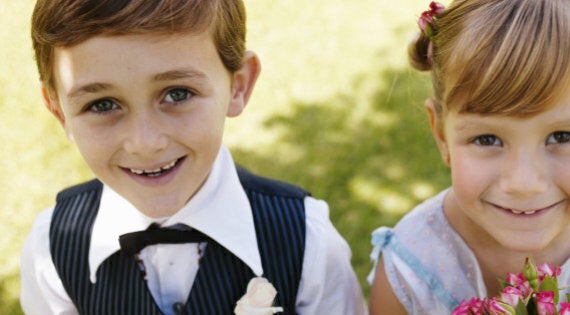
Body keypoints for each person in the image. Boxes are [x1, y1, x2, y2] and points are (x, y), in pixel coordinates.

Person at [20, 0, 367, 314]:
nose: (145, 143)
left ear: (238, 85)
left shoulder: (307, 242)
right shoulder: (52, 252)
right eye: (102, 104)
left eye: (177, 93)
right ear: (60, 112)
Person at [368, 0, 570, 314]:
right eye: (487, 139)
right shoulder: (412, 267)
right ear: (441, 134)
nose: (524, 183)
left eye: (562, 136)